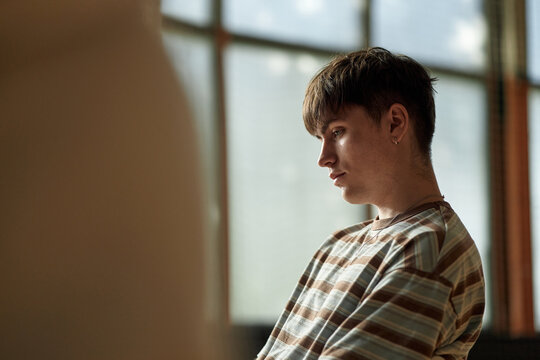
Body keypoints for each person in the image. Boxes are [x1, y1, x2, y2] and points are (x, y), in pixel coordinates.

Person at [257, 47, 485, 359]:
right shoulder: (337, 245)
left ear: (395, 123)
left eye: (337, 132)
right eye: (321, 139)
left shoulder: (429, 245)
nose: (323, 158)